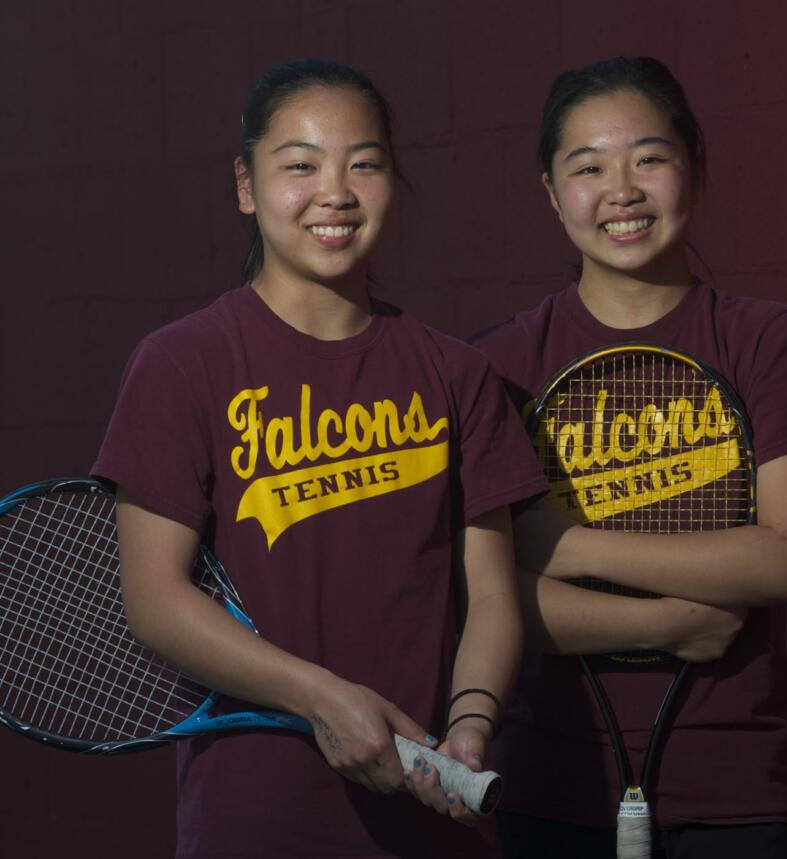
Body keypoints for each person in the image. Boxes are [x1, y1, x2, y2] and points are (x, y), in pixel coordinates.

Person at [92, 58, 546, 859]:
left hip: (432, 816)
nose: (334, 191)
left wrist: (470, 726)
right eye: (300, 164)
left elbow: (491, 596)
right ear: (247, 184)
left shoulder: (457, 375)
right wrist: (320, 697)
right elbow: (155, 600)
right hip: (254, 818)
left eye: (363, 164)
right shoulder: (181, 363)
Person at [469, 56, 787, 858]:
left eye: (648, 158)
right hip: (552, 788)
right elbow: (488, 597)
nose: (621, 190)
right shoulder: (501, 365)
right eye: (587, 167)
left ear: (695, 168)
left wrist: (565, 543)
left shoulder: (766, 339)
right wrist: (669, 621)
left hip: (735, 793)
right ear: (552, 193)